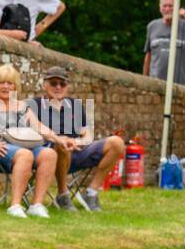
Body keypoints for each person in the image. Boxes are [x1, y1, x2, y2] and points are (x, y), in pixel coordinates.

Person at [0, 63, 58, 218]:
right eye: (2, 82)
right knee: (25, 155)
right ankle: (15, 206)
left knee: (49, 153)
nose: (6, 87)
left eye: (10, 83)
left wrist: (60, 139)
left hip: (21, 147)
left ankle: (36, 205)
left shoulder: (21, 105)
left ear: (16, 87)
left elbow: (40, 127)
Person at [28, 66, 124, 212]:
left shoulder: (75, 105)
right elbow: (36, 129)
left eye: (62, 84)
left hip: (77, 151)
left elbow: (87, 135)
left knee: (117, 142)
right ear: (44, 85)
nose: (58, 87)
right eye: (53, 83)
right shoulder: (34, 105)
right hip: (49, 154)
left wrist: (77, 141)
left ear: (68, 86)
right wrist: (61, 140)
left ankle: (91, 193)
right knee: (61, 146)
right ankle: (62, 195)